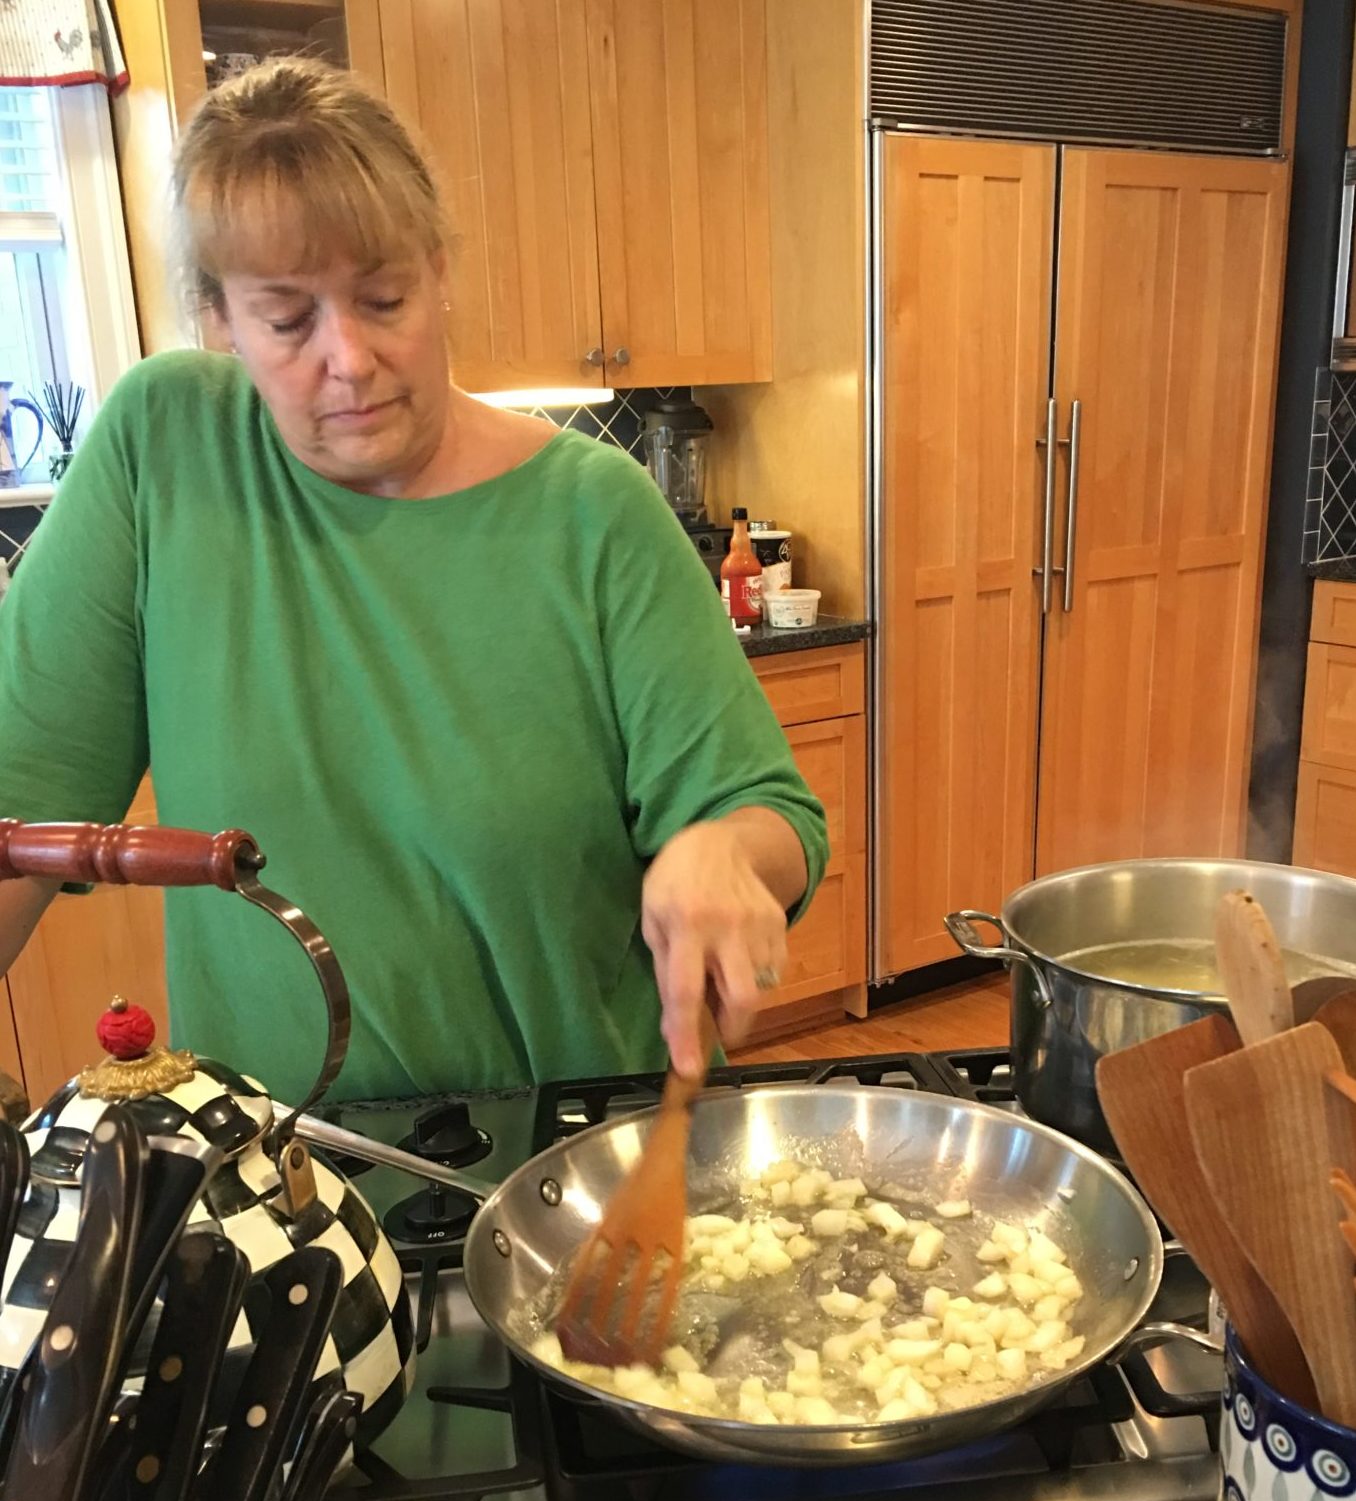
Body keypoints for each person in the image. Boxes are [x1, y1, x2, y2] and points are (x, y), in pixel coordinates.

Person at [0, 59, 827, 1104]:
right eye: (288, 320)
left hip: (563, 1179)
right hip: (274, 1201)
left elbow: (767, 814)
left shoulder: (592, 512)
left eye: (383, 296)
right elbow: (17, 807)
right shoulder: (163, 453)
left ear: (441, 271)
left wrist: (719, 854)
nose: (348, 357)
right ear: (219, 317)